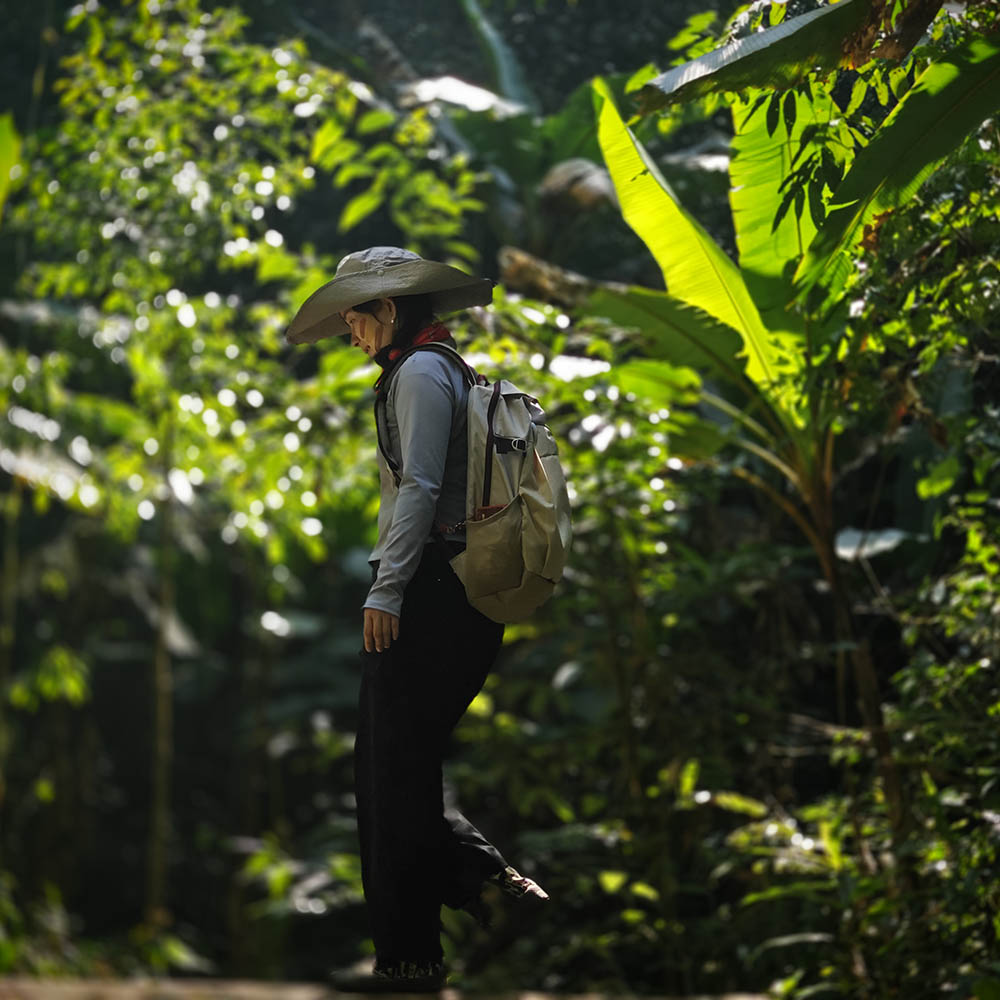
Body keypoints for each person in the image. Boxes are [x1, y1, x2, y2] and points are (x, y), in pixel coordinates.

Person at [286, 247, 548, 993]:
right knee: (397, 771)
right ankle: (455, 901)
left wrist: (387, 590)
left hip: (432, 590)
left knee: (389, 776)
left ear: (390, 310)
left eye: (356, 318)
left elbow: (421, 489)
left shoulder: (422, 373)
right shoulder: (443, 369)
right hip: (447, 590)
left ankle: (413, 959)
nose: (351, 333)